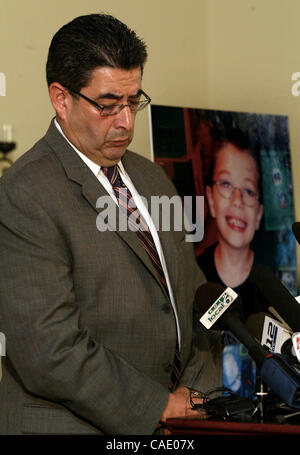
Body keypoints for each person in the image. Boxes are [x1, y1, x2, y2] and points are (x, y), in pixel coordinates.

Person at [0, 14, 217, 435]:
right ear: (60, 99)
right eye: (107, 105)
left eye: (133, 101)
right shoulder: (23, 194)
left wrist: (194, 396)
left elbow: (195, 301)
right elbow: (48, 349)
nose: (126, 122)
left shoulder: (153, 178)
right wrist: (159, 406)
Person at [198, 129, 264, 321]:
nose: (237, 200)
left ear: (259, 213)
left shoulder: (273, 283)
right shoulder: (194, 273)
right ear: (210, 199)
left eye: (249, 191)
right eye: (226, 184)